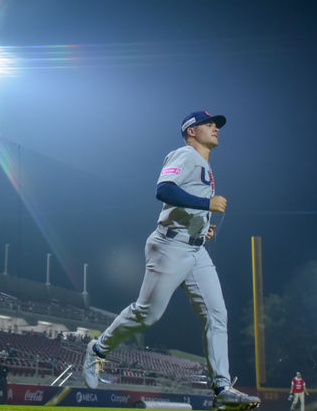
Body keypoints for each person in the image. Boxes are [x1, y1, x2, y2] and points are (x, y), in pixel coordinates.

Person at [82, 110, 261, 411]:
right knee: (147, 315)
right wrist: (207, 204)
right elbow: (163, 190)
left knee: (217, 315)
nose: (215, 127)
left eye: (216, 124)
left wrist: (202, 227)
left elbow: (182, 202)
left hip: (194, 249)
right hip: (169, 247)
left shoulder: (203, 162)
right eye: (208, 124)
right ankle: (98, 348)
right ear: (191, 131)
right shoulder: (185, 155)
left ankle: (221, 389)